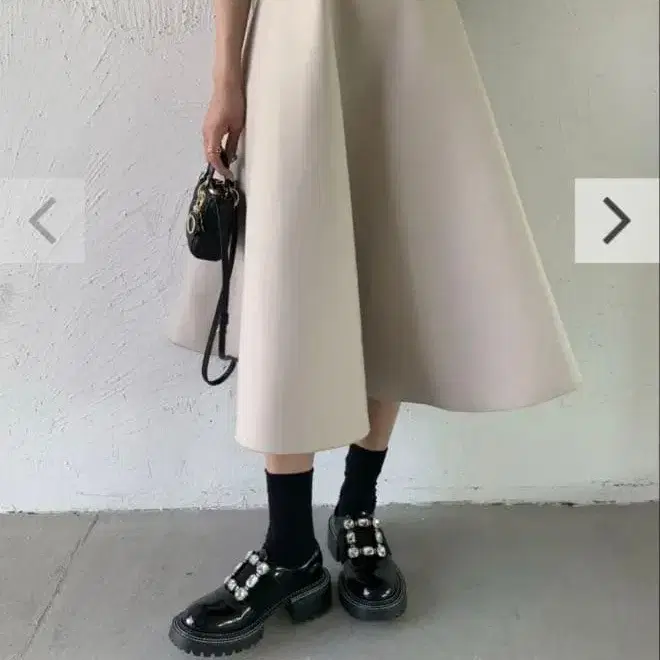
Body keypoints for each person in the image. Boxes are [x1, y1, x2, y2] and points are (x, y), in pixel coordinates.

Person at [167, 0, 581, 656]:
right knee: (290, 272)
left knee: (390, 255)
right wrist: (225, 79)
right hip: (294, 34)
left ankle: (357, 506)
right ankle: (290, 547)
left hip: (411, 33)